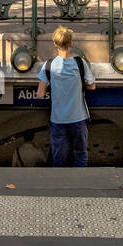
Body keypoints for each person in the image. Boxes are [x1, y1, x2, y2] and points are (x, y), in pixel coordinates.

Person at [36, 26, 96, 167]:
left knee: (59, 158)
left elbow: (40, 94)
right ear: (70, 43)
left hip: (58, 119)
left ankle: (61, 186)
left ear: (55, 44)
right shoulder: (80, 63)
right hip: (78, 118)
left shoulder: (48, 65)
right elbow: (92, 86)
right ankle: (80, 185)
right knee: (80, 155)